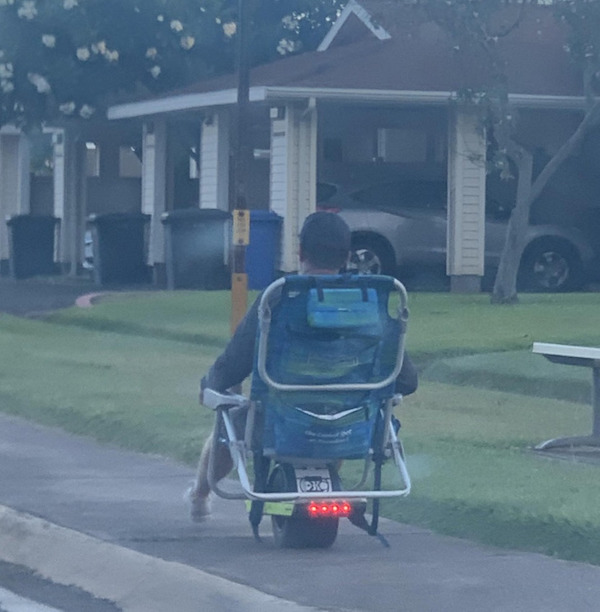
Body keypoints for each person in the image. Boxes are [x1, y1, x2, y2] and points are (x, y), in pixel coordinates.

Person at [185, 211, 418, 521]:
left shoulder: (278, 299)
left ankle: (200, 495)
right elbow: (407, 380)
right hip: (350, 425)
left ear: (300, 252)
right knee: (343, 410)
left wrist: (210, 385)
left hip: (277, 423)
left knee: (229, 422)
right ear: (346, 257)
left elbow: (233, 363)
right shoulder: (369, 303)